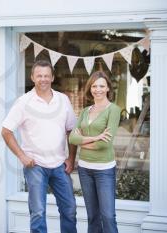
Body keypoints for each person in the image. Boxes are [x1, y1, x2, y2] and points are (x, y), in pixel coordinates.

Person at [1, 60, 78, 233]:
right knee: (38, 213)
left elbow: (71, 131)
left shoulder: (63, 100)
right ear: (32, 77)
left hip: (59, 165)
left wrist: (71, 158)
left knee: (70, 210)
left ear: (52, 77)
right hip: (35, 166)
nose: (43, 79)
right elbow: (6, 131)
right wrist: (22, 156)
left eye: (46, 75)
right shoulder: (24, 102)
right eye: (39, 76)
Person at [69, 71, 121, 233]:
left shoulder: (113, 110)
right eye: (94, 86)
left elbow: (104, 145)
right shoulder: (85, 111)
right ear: (90, 88)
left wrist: (84, 142)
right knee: (92, 216)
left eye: (101, 86)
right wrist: (96, 137)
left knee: (108, 216)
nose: (97, 89)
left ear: (107, 89)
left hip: (104, 170)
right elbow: (72, 138)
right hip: (85, 169)